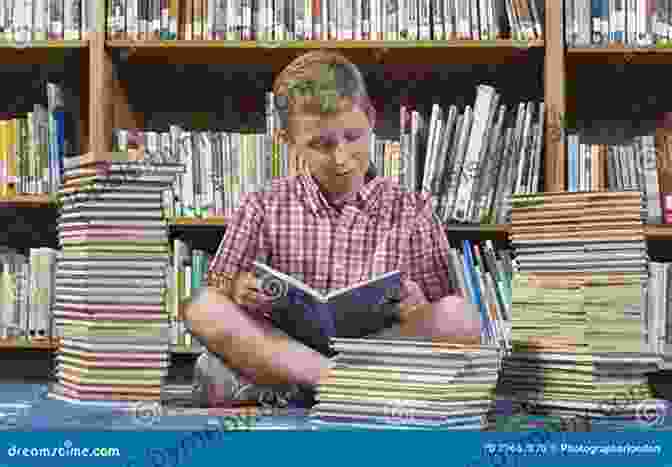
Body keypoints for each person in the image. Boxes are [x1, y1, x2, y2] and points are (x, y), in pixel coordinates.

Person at [183, 50, 481, 408]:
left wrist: (417, 306)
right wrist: (238, 290)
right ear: (287, 141)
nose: (341, 158)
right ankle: (336, 382)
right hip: (284, 353)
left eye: (352, 136)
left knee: (459, 317)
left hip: (374, 354)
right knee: (202, 306)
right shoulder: (263, 205)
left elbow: (444, 312)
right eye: (320, 145)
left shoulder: (413, 211)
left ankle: (317, 386)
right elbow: (217, 293)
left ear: (371, 119)